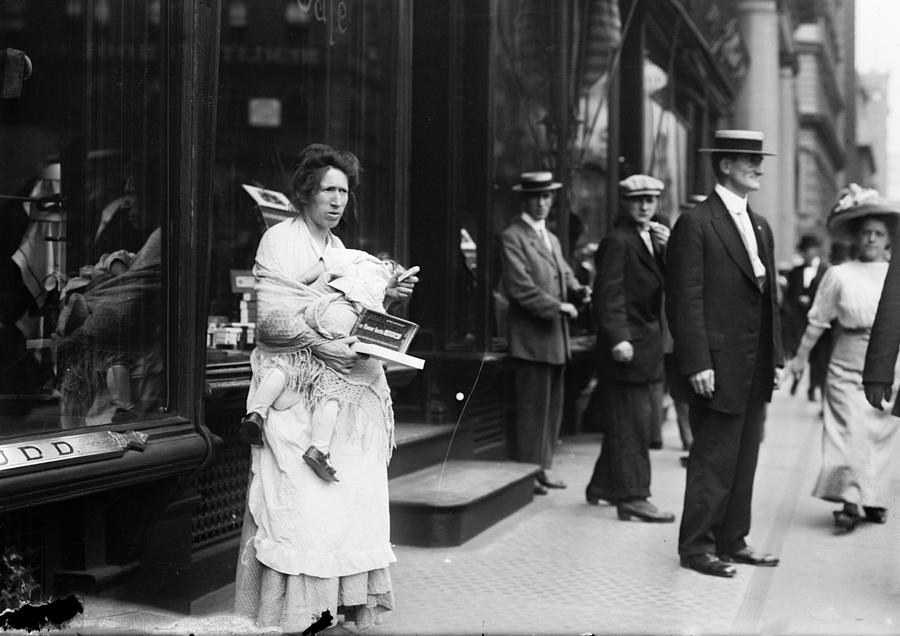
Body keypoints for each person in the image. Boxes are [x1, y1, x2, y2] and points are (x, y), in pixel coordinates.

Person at [233, 144, 417, 633]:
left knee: (349, 507)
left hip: (342, 398)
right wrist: (327, 342)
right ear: (306, 193)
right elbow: (272, 322)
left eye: (345, 192)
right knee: (303, 509)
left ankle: (335, 611)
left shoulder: (342, 253)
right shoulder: (279, 240)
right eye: (329, 190)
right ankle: (292, 615)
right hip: (293, 393)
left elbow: (351, 316)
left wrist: (383, 296)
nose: (338, 201)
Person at [666, 129, 784, 578]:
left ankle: (733, 541)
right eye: (747, 160)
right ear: (724, 166)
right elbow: (684, 299)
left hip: (752, 366)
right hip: (713, 367)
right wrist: (696, 362)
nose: (758, 167)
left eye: (759, 159)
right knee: (713, 460)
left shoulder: (759, 225)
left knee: (744, 458)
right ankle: (697, 548)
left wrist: (775, 358)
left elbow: (768, 297)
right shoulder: (696, 223)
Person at [239, 248, 408, 483]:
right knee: (333, 387)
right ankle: (319, 448)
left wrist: (295, 291)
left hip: (318, 308)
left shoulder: (352, 258)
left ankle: (256, 413)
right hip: (344, 314)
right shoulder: (377, 275)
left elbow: (307, 277)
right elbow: (375, 317)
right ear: (390, 266)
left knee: (289, 364)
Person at [791, 185, 900, 531]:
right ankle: (850, 500)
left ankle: (872, 497)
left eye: (878, 234)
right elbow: (818, 320)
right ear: (855, 237)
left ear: (888, 240)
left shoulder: (895, 275)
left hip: (888, 365)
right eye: (865, 232)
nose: (871, 239)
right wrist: (799, 360)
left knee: (878, 437)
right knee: (848, 434)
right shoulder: (839, 274)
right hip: (844, 366)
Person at [584, 174, 675, 522]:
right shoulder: (618, 241)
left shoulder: (648, 238)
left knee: (629, 420)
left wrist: (667, 252)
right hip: (627, 348)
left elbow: (658, 284)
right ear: (625, 203)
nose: (645, 206)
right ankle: (634, 497)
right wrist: (619, 337)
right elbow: (609, 295)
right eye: (638, 200)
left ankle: (603, 486)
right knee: (634, 425)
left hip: (644, 346)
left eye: (650, 200)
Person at [500, 171, 591, 495]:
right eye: (535, 197)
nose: (541, 203)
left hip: (554, 337)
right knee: (533, 409)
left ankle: (543, 467)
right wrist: (558, 307)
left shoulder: (549, 238)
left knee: (551, 408)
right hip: (532, 337)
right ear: (524, 199)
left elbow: (564, 272)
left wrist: (579, 290)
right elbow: (520, 288)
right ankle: (530, 472)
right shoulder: (513, 236)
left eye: (546, 197)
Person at [782, 233, 831, 401]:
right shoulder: (795, 272)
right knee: (800, 353)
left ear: (815, 251)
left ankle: (813, 388)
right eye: (804, 251)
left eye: (809, 250)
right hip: (799, 322)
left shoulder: (826, 271)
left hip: (818, 321)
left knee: (818, 359)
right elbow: (788, 298)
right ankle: (797, 380)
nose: (807, 254)